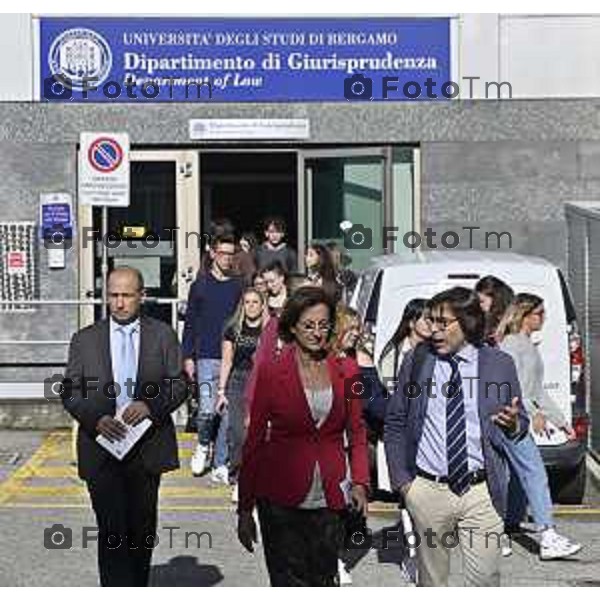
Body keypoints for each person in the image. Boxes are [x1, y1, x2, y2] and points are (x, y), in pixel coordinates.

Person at [384, 286, 529, 586]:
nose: (433, 330)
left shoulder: (499, 365)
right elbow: (396, 420)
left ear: (468, 322)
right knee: (433, 582)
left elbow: (521, 422)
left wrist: (513, 424)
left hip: (480, 491)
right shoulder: (418, 360)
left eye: (442, 323)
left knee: (485, 580)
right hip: (427, 490)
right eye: (431, 321)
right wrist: (404, 484)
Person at [61, 266, 187, 586]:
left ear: (141, 296)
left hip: (146, 448)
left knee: (142, 529)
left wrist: (150, 406)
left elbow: (179, 384)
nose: (119, 303)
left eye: (126, 296)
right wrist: (95, 419)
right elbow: (71, 391)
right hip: (102, 448)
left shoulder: (163, 335)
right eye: (113, 295)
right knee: (112, 530)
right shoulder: (85, 340)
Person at [237, 287, 369, 586]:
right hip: (279, 497)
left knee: (323, 580)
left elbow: (357, 431)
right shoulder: (271, 372)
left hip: (330, 496)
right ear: (292, 327)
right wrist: (245, 508)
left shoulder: (348, 370)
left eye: (323, 325)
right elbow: (254, 441)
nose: (317, 333)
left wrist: (361, 482)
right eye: (308, 325)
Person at [497, 293, 582, 559]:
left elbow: (538, 390)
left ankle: (508, 524)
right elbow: (515, 387)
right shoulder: (512, 345)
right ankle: (548, 535)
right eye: (539, 313)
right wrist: (533, 413)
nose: (543, 318)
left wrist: (560, 422)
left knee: (517, 475)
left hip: (519, 418)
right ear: (524, 315)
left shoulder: (526, 344)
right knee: (534, 472)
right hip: (511, 419)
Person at [182, 233, 243, 480]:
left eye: (231, 254)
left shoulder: (239, 285)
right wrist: (187, 356)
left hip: (232, 358)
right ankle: (203, 445)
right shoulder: (200, 286)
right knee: (206, 410)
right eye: (223, 254)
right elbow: (190, 324)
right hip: (206, 356)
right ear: (212, 253)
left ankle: (220, 461)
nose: (227, 259)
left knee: (227, 413)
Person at [215, 287, 269, 502]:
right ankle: (238, 477)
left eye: (255, 302)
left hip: (262, 383)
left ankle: (257, 480)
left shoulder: (270, 329)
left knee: (259, 434)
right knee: (238, 433)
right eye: (247, 302)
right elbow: (227, 361)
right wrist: (221, 391)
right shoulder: (233, 329)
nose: (251, 306)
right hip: (238, 381)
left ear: (262, 305)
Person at [475, 276, 515, 346]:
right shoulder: (484, 318)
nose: (479, 305)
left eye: (482, 301)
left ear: (495, 299)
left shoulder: (511, 318)